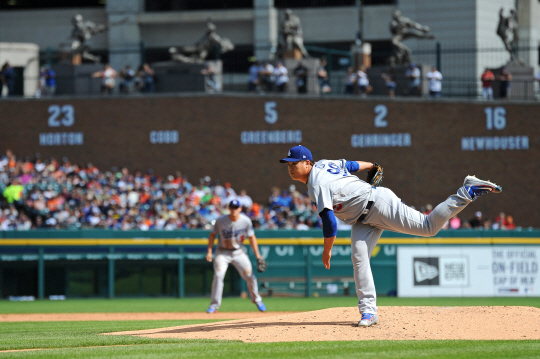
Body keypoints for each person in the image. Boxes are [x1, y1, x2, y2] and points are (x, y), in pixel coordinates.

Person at [279, 145, 501, 327]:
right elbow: (352, 165)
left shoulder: (316, 183)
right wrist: (373, 165)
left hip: (378, 205)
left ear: (307, 162)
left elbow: (329, 222)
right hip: (362, 219)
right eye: (288, 164)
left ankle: (466, 191)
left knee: (428, 227)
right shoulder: (325, 164)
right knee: (359, 258)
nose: (290, 167)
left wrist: (327, 251)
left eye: (294, 163)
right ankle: (369, 312)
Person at [205, 199, 266, 313]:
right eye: (232, 207)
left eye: (236, 207)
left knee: (249, 275)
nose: (234, 210)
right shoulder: (221, 220)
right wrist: (209, 251)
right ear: (229, 208)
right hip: (222, 252)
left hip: (239, 252)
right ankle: (214, 305)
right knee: (218, 276)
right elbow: (212, 235)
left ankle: (257, 300)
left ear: (240, 209)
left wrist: (258, 255)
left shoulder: (246, 221)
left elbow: (252, 238)